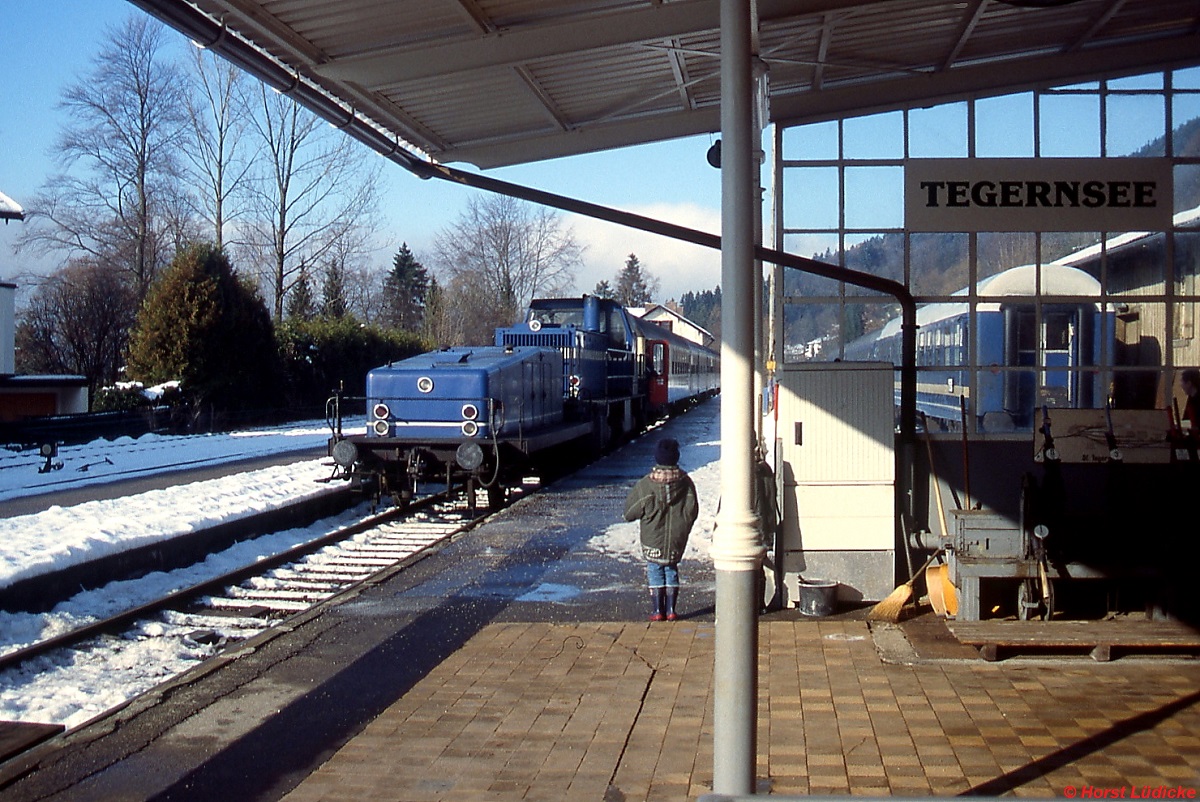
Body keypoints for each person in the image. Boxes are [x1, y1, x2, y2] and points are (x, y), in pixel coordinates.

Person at [624, 437, 699, 622]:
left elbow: (629, 513)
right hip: (676, 539)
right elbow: (692, 511)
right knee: (671, 569)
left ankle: (658, 610)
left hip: (652, 539)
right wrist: (683, 526)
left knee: (655, 570)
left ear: (657, 458)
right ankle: (672, 610)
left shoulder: (645, 485)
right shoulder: (686, 483)